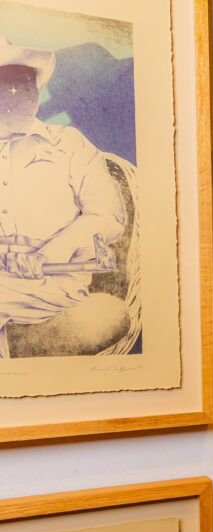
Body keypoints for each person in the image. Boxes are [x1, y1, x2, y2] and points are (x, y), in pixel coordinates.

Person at [0, 36, 127, 358]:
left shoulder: (68, 143)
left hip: (50, 288)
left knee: (106, 316)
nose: (14, 92)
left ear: (37, 90)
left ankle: (25, 343)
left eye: (23, 82)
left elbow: (107, 216)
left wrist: (47, 254)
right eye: (6, 82)